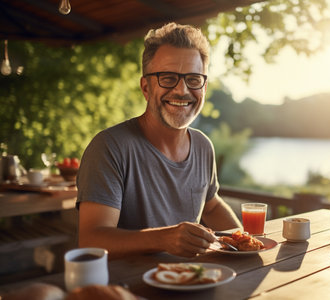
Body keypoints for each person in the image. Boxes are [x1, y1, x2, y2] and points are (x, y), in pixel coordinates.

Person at [76, 23, 242, 259]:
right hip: (128, 290)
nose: (182, 90)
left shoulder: (204, 146)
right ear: (146, 87)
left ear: (204, 87)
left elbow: (212, 205)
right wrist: (163, 239)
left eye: (193, 79)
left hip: (193, 282)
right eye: (168, 78)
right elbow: (91, 240)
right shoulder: (110, 147)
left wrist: (242, 240)